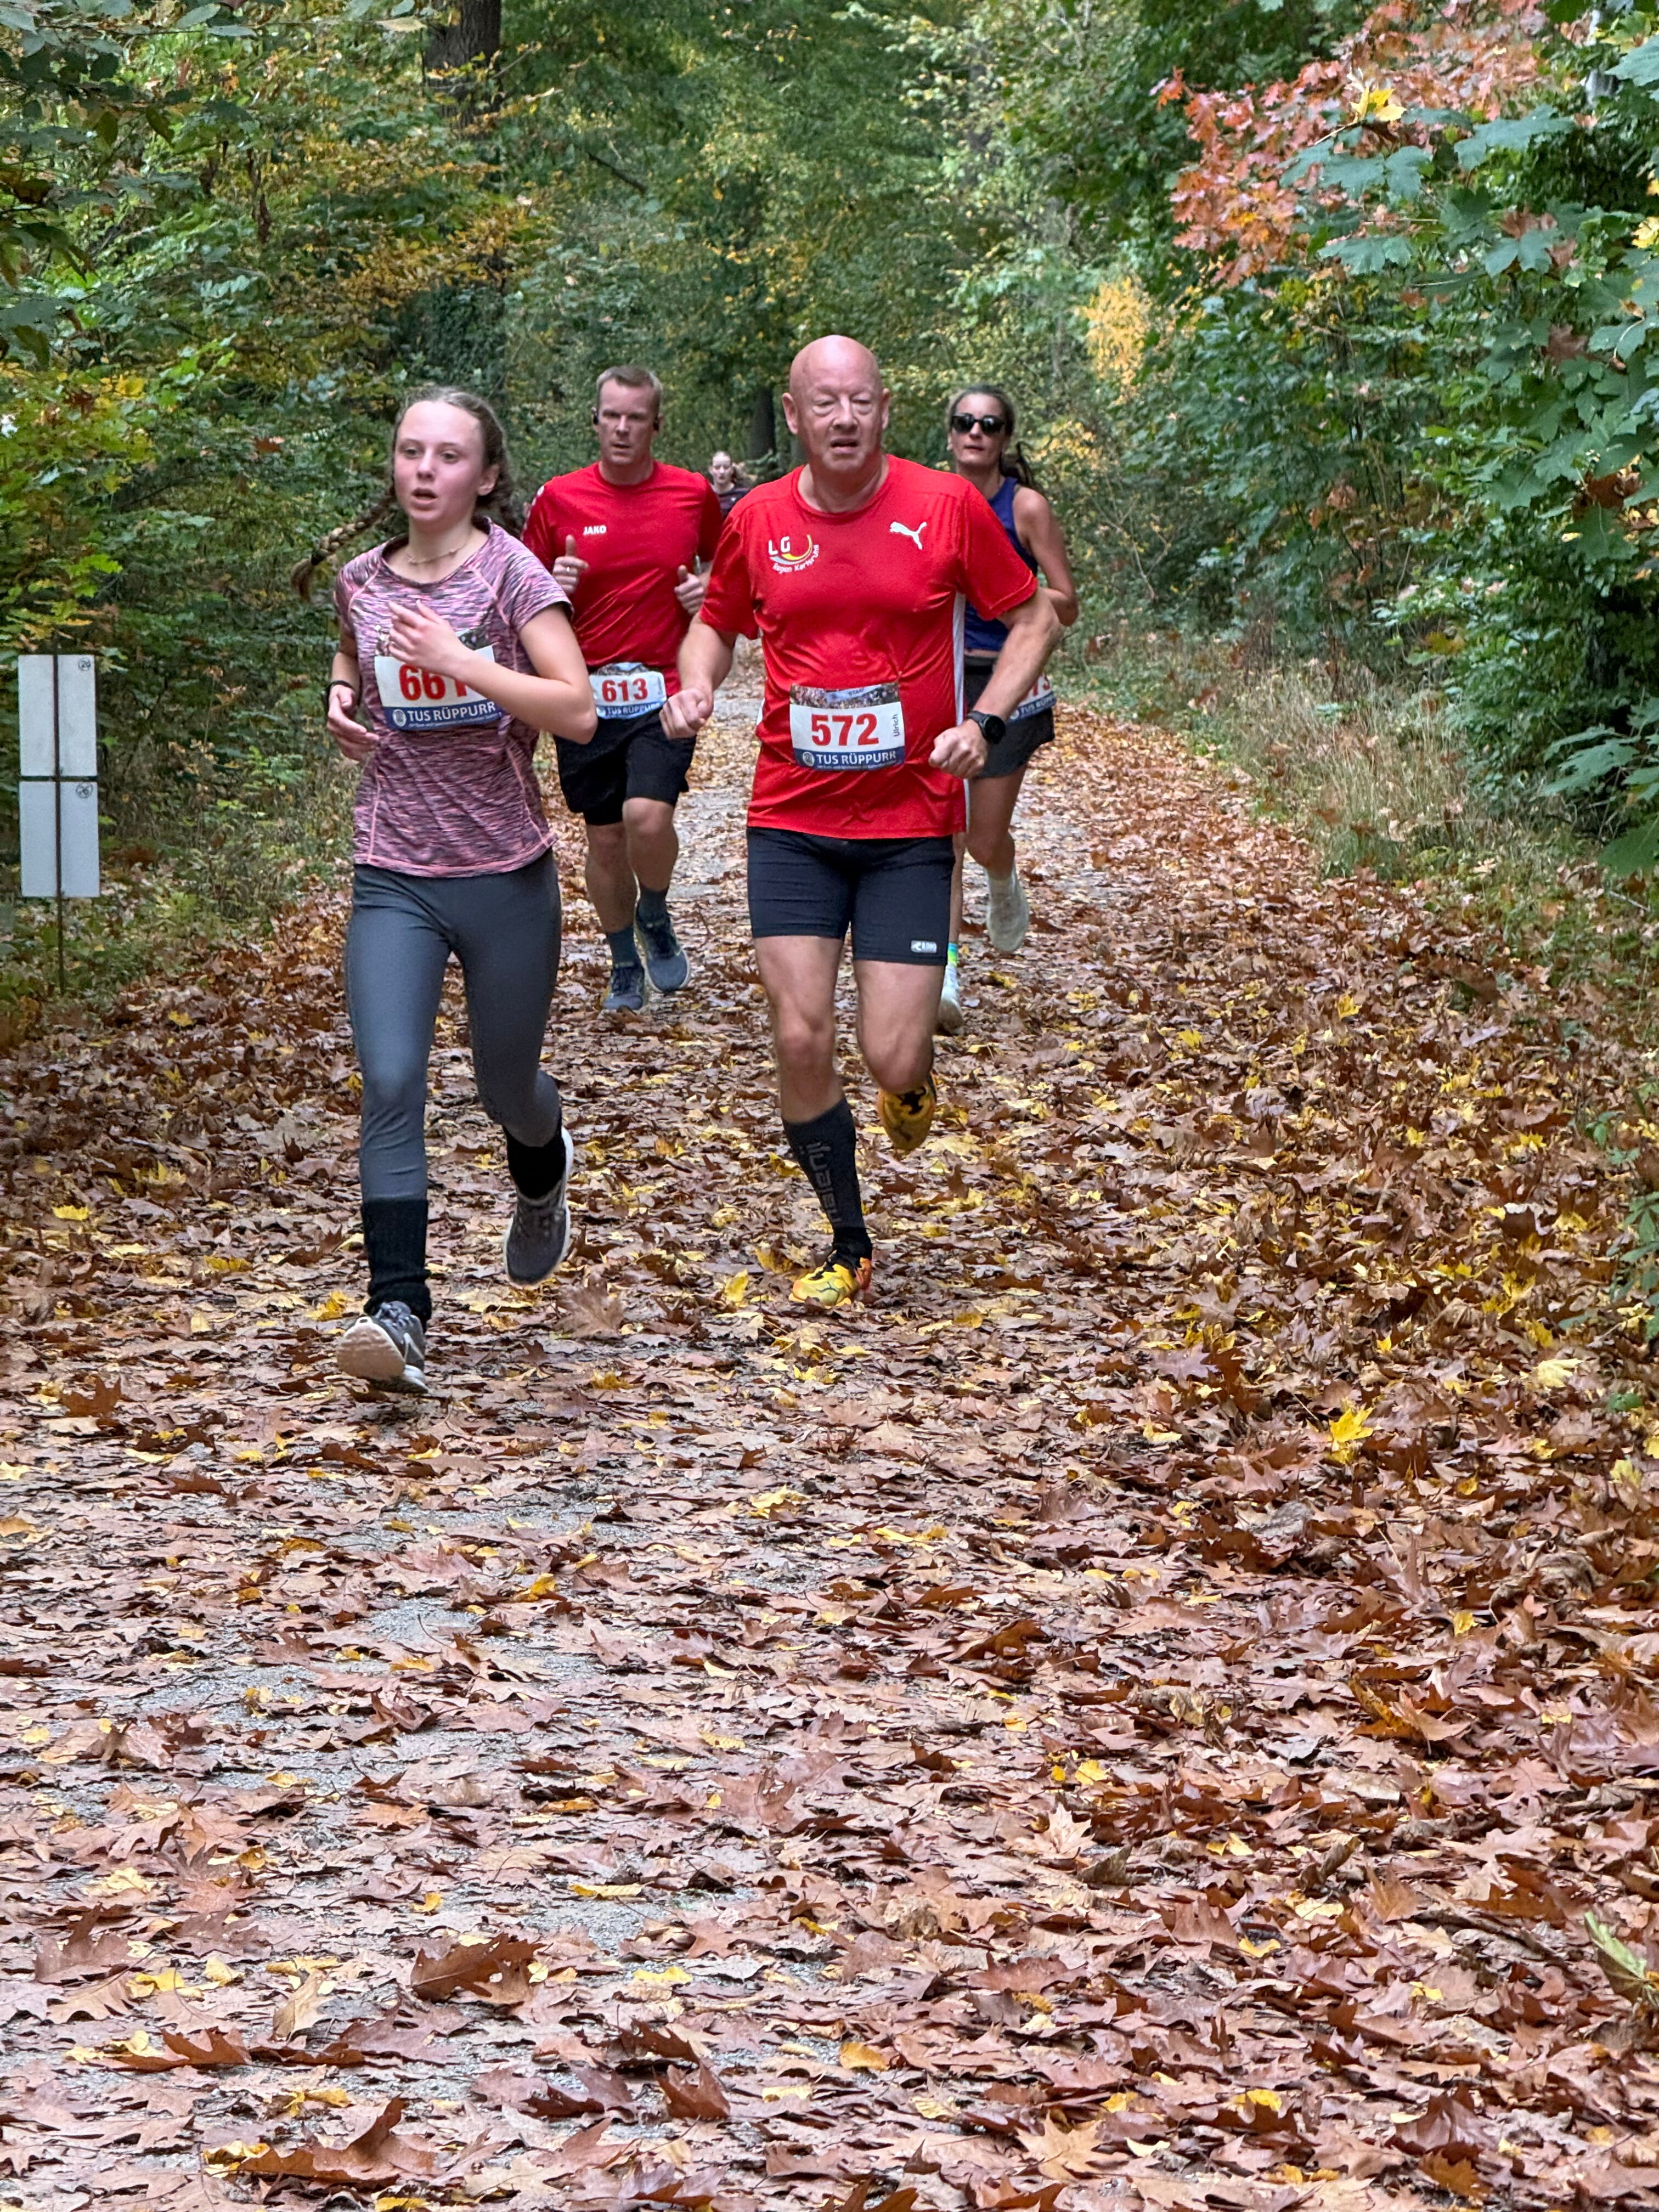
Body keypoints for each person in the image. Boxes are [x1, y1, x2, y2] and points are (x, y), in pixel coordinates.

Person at [663, 336, 1059, 1308]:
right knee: (800, 1036)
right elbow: (715, 620)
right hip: (790, 819)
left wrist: (983, 721)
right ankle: (848, 1240)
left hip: (908, 826)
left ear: (885, 411)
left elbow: (1035, 617)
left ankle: (908, 1083)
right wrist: (695, 683)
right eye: (823, 403)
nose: (843, 419)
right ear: (794, 417)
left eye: (859, 402)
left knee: (894, 1053)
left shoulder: (945, 505)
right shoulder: (757, 518)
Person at [302, 387, 596, 1394]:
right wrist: (342, 692)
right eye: (410, 452)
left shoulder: (512, 575)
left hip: (504, 870)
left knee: (504, 1087)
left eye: (448, 456)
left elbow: (577, 709)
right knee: (390, 1080)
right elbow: (355, 648)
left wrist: (462, 661)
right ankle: (400, 1310)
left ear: (486, 475)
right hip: (394, 872)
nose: (424, 471)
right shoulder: (360, 579)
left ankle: (542, 1163)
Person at [522, 368, 724, 1014]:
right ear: (595, 421)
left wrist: (706, 592)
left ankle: (655, 911)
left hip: (664, 687)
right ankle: (622, 962)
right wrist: (553, 585)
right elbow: (517, 594)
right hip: (584, 694)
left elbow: (729, 570)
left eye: (636, 417)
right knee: (606, 839)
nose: (622, 428)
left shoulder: (692, 494)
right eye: (611, 415)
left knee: (648, 816)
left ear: (656, 425)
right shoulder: (559, 499)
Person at [938, 386, 1079, 1034]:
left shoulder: (1025, 507)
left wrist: (1003, 592)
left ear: (1004, 438)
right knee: (945, 835)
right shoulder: (930, 502)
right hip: (942, 677)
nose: (976, 432)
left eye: (989, 424)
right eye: (965, 422)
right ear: (949, 435)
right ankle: (944, 975)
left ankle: (1002, 875)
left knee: (983, 839)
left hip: (1008, 680)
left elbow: (1066, 603)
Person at [709, 450, 748, 517]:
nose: (722, 472)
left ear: (732, 470)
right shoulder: (705, 496)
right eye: (717, 468)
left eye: (726, 467)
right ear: (711, 470)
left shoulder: (743, 495)